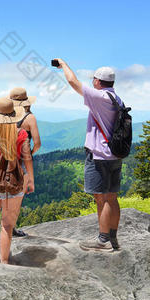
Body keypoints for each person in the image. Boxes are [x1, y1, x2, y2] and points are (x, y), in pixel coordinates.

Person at [53, 59, 123, 251]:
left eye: (93, 79)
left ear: (98, 81)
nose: (92, 82)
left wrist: (63, 65)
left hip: (100, 155)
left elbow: (73, 82)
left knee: (102, 198)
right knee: (113, 197)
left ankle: (103, 240)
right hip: (115, 155)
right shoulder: (117, 99)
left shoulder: (99, 97)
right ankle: (113, 237)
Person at [0, 97, 35, 264]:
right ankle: (4, 261)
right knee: (7, 224)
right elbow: (27, 159)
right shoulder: (21, 134)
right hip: (15, 180)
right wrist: (30, 180)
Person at [9, 87, 41, 237]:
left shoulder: (7, 116)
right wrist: (30, 153)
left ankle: (6, 227)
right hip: (22, 161)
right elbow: (37, 142)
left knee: (7, 195)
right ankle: (12, 228)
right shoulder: (29, 118)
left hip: (6, 159)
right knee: (18, 196)